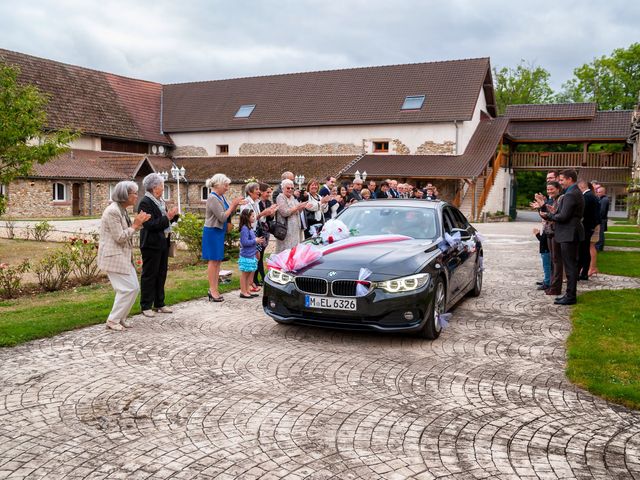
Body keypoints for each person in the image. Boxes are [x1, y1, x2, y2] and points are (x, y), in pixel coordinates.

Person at [98, 181, 151, 331]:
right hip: (113, 256)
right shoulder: (112, 211)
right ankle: (113, 320)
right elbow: (120, 237)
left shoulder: (122, 209)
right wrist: (135, 225)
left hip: (123, 256)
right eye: (134, 193)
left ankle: (120, 318)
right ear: (124, 195)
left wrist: (138, 224)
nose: (136, 196)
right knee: (126, 289)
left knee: (134, 288)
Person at [137, 173, 180, 317]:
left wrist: (173, 215)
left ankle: (159, 303)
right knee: (150, 274)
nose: (163, 188)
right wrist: (167, 217)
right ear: (154, 188)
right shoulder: (145, 202)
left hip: (163, 241)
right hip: (151, 243)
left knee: (161, 274)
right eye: (162, 186)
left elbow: (166, 221)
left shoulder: (160, 201)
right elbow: (149, 224)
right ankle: (146, 305)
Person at [540, 170, 584, 305]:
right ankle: (569, 294)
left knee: (570, 266)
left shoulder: (571, 194)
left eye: (561, 180)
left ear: (570, 179)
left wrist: (549, 216)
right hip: (571, 232)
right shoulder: (575, 192)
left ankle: (570, 296)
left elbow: (564, 216)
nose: (560, 182)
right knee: (570, 266)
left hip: (568, 233)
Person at [202, 173, 247, 302]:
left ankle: (215, 289)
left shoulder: (221, 197)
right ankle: (212, 289)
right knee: (213, 261)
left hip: (219, 231)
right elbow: (221, 216)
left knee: (218, 261)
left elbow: (227, 214)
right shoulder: (212, 197)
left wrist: (236, 205)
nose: (227, 188)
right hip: (212, 231)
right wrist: (233, 205)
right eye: (226, 185)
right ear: (218, 185)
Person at [240, 182, 278, 290]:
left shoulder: (256, 202)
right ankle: (248, 284)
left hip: (255, 230)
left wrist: (268, 213)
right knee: (253, 257)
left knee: (257, 256)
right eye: (256, 189)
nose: (259, 191)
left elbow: (259, 219)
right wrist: (262, 214)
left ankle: (251, 282)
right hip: (250, 231)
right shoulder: (246, 203)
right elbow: (247, 219)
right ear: (250, 192)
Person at [275, 179, 309, 253]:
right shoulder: (280, 197)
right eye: (288, 188)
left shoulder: (293, 197)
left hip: (295, 228)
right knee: (286, 251)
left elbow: (297, 212)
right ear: (282, 188)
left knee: (295, 250)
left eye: (292, 188)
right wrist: (297, 207)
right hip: (286, 229)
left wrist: (302, 207)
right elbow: (285, 212)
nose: (290, 190)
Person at [238, 209, 265, 299]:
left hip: (251, 254)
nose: (254, 217)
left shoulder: (249, 228)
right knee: (245, 274)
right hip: (246, 255)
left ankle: (247, 290)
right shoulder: (244, 229)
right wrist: (255, 240)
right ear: (247, 217)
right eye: (252, 216)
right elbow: (244, 242)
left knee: (249, 273)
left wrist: (257, 240)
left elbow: (252, 240)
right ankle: (243, 291)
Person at [577, 180, 601, 280]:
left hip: (587, 226)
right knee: (585, 249)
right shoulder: (591, 195)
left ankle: (581, 272)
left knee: (583, 250)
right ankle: (584, 273)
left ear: (582, 186)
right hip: (591, 226)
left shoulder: (587, 196)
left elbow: (583, 212)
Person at [533, 226, 551, 290]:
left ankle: (547, 283)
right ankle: (546, 280)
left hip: (546, 251)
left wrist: (537, 234)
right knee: (546, 267)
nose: (543, 223)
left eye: (544, 221)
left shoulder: (547, 229)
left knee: (547, 267)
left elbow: (543, 241)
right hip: (545, 251)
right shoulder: (546, 229)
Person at [595, 186, 610, 252]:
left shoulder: (604, 200)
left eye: (600, 192)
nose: (598, 193)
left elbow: (602, 211)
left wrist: (598, 218)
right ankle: (599, 247)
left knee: (600, 234)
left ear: (603, 192)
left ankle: (599, 247)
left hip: (601, 219)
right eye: (597, 192)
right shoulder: (601, 198)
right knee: (600, 233)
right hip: (601, 219)